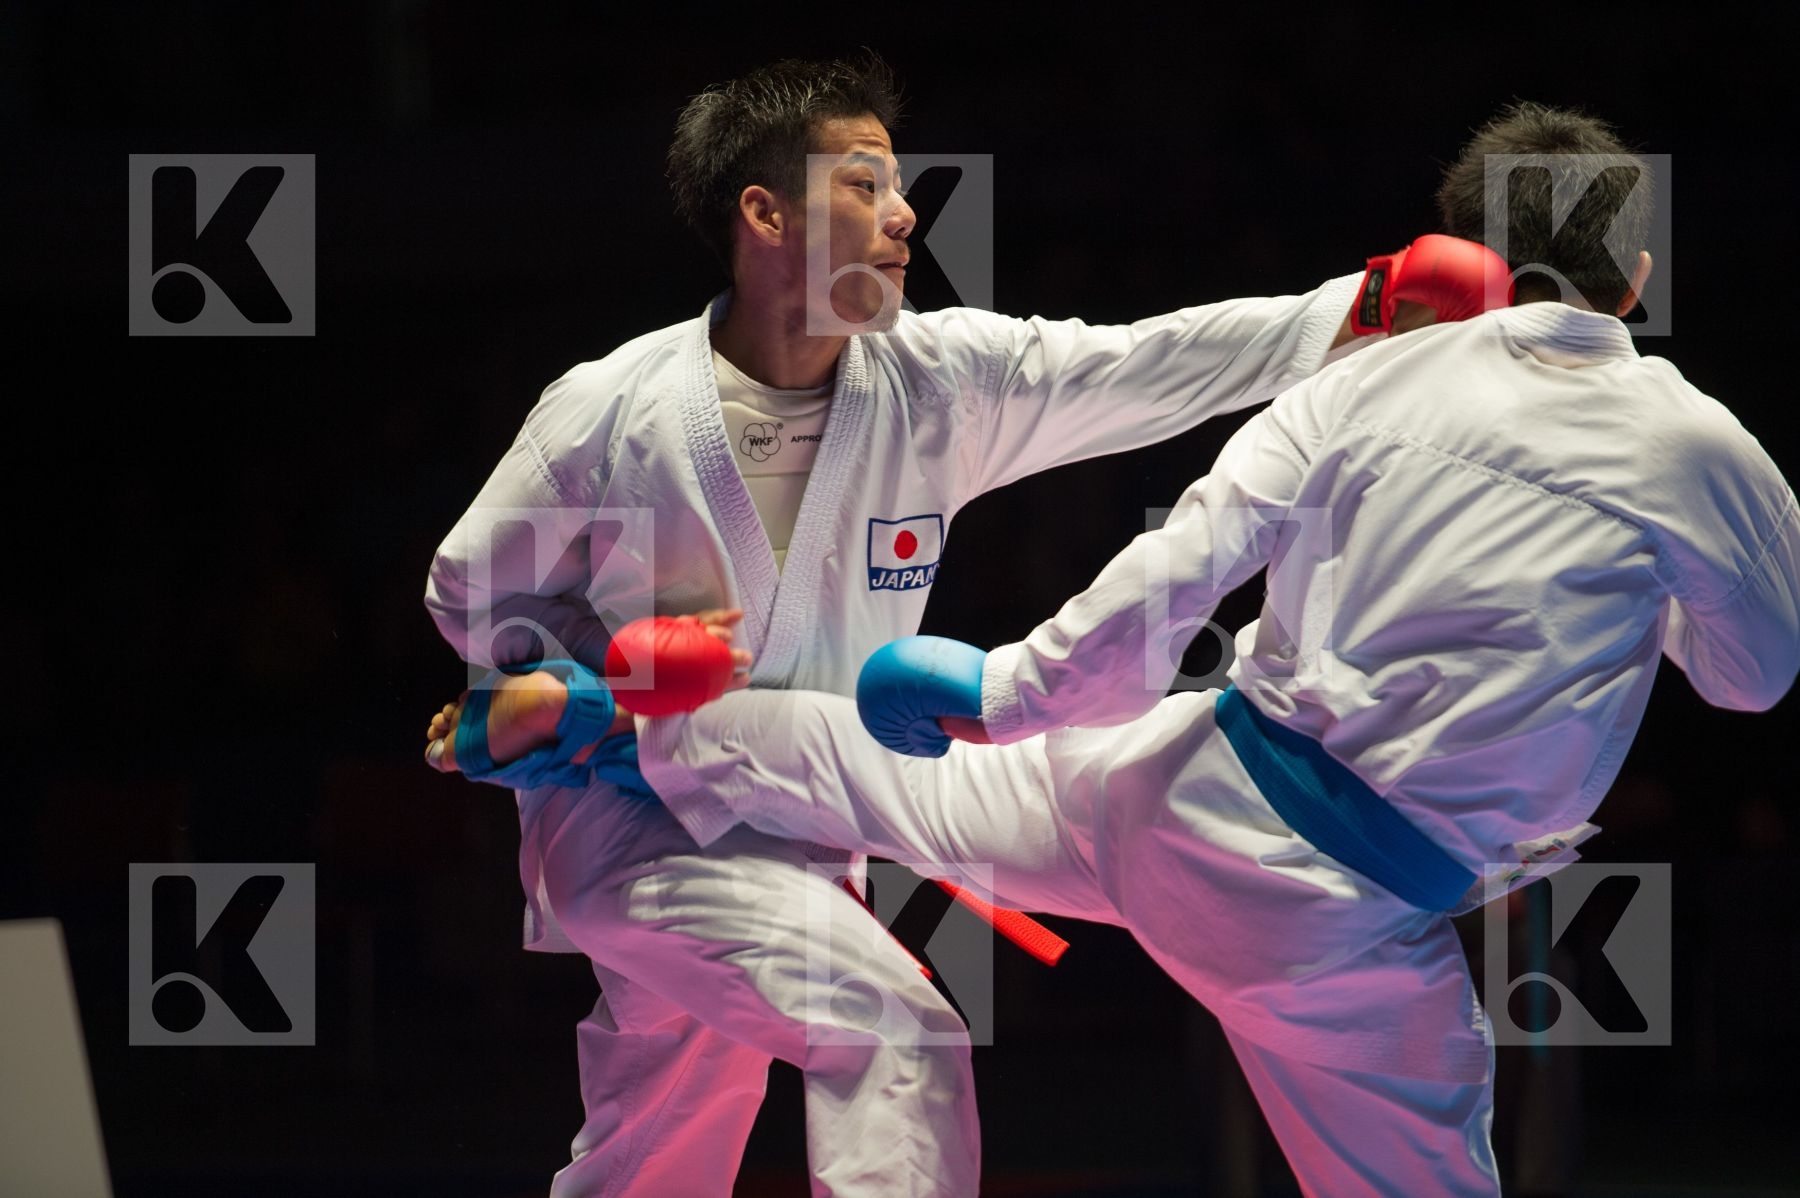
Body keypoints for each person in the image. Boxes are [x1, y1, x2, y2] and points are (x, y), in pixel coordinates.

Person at [436, 103, 1798, 1195]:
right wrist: (592, 661)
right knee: (851, 1035)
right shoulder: (609, 406)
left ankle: (615, 725)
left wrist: (1351, 309)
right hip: (1335, 909)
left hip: (1145, 790)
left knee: (678, 1107)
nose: (909, 211)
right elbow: (465, 590)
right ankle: (609, 727)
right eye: (869, 183)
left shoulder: (948, 374)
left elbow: (1152, 435)